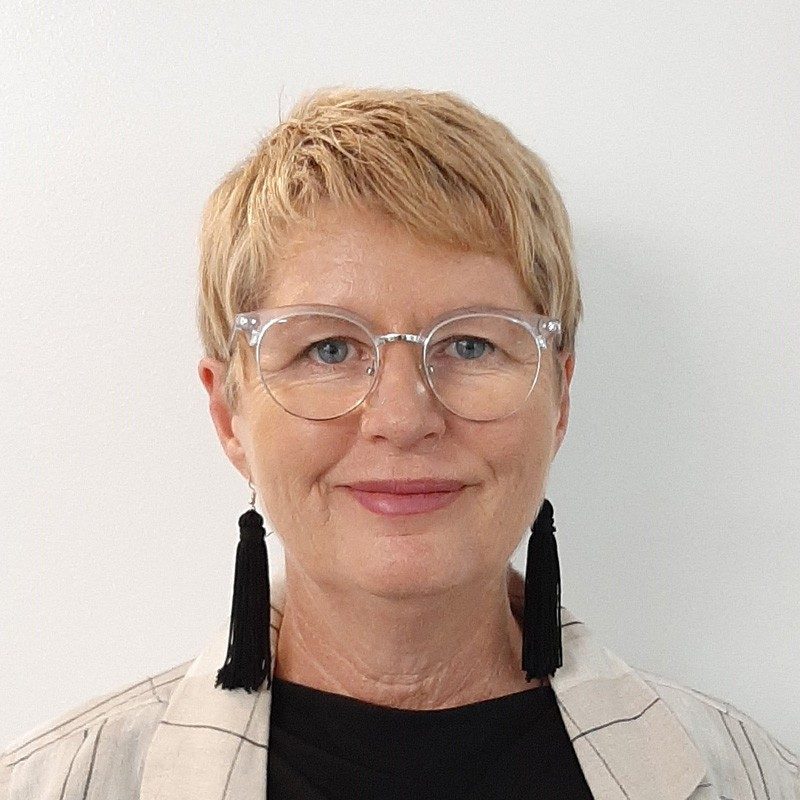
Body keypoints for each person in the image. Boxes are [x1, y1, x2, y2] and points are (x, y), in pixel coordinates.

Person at [2, 86, 797, 800]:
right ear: (229, 416)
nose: (403, 416)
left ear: (559, 399)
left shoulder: (751, 779)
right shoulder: (55, 785)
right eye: (328, 349)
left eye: (472, 345)